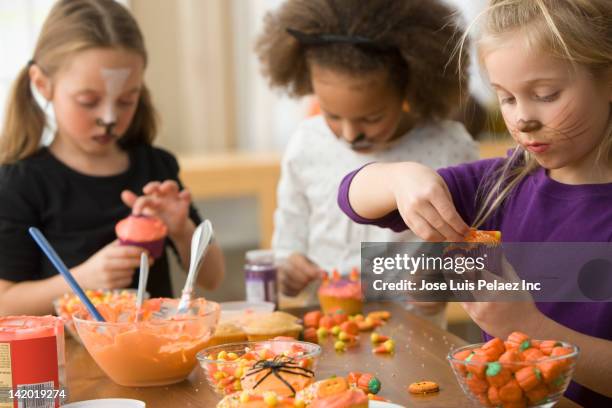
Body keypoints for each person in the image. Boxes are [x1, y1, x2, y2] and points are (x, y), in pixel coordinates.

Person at [339, 0, 612, 404]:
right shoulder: (501, 183)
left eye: (545, 94)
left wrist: (529, 327)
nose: (522, 119)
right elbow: (352, 196)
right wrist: (399, 177)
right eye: (507, 98)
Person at [0, 0, 225, 316]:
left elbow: (213, 278)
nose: (108, 117)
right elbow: (4, 302)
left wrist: (182, 229)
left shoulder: (155, 167)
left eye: (125, 100)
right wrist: (84, 279)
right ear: (42, 84)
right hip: (66, 361)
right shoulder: (21, 182)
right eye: (88, 101)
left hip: (155, 358)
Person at [255, 0, 479, 309]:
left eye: (371, 118)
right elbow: (288, 243)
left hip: (416, 338)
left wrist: (440, 285)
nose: (350, 135)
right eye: (331, 115)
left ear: (410, 86)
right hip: (326, 329)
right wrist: (288, 268)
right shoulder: (306, 144)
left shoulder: (451, 147)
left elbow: (474, 257)